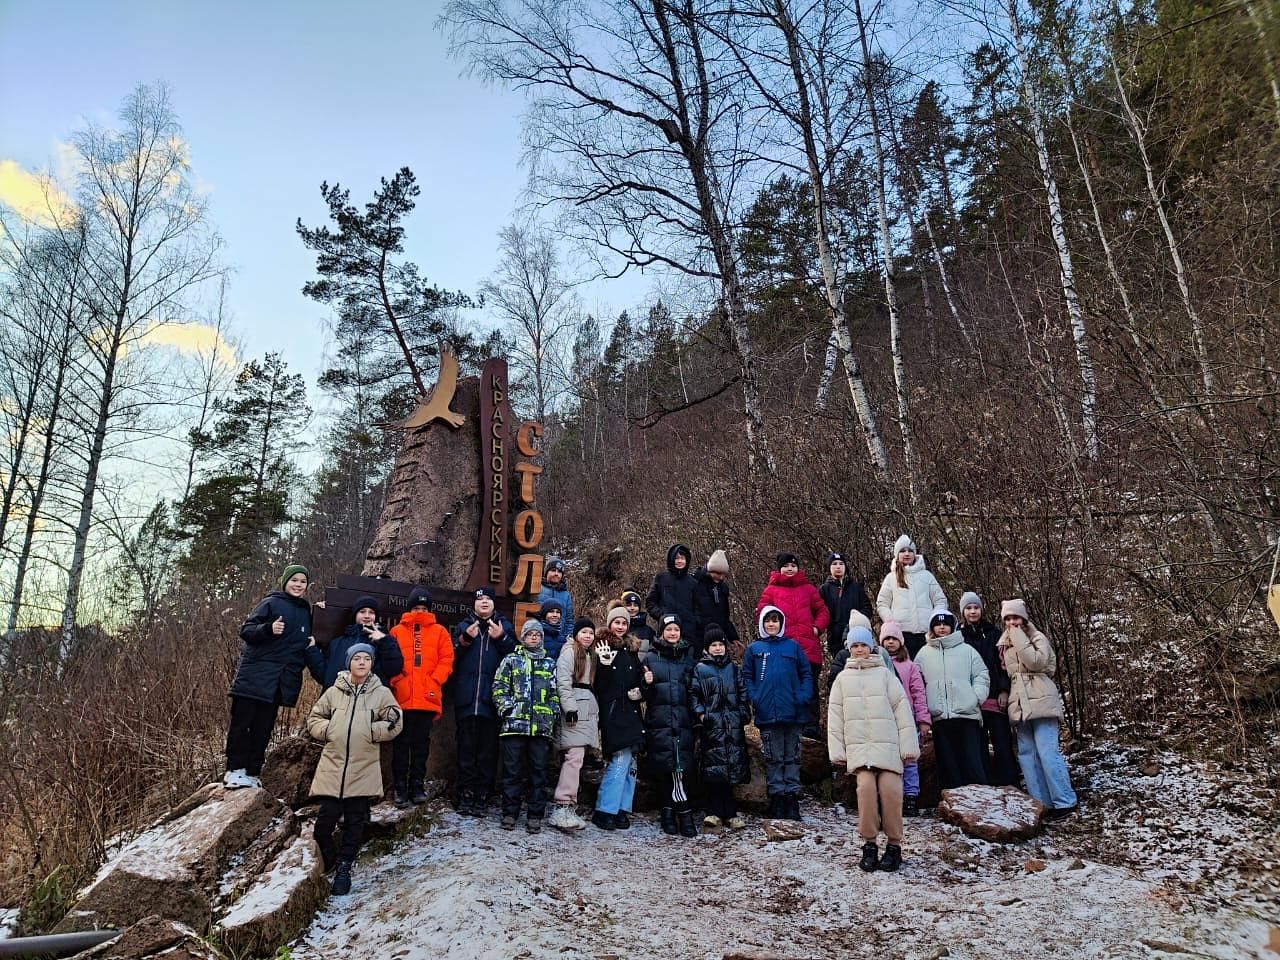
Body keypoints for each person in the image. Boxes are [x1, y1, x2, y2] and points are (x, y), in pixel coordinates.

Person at [307, 644, 401, 895]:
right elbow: (314, 718)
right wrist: (329, 730)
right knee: (323, 824)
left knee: (355, 822)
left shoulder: (381, 692)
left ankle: (345, 868)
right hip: (333, 766)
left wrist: (372, 731)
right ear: (348, 662)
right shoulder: (333, 692)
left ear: (372, 664)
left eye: (366, 658)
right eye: (356, 658)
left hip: (363, 768)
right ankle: (330, 860)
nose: (361, 662)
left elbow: (395, 720)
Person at [828, 626, 920, 872]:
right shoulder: (842, 680)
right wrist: (838, 752)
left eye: (863, 645)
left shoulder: (885, 675)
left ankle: (893, 845)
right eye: (855, 646)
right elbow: (835, 718)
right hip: (861, 751)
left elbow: (902, 711)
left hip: (888, 749)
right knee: (866, 790)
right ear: (849, 649)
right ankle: (869, 844)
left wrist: (909, 748)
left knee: (891, 791)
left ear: (871, 647)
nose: (859, 650)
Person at [225, 564, 314, 790]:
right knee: (242, 725)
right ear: (285, 581)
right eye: (294, 580)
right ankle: (235, 770)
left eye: (302, 581)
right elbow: (247, 630)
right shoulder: (271, 602)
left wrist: (323, 610)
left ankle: (253, 772)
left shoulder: (306, 612)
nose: (298, 585)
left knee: (263, 729)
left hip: (278, 683)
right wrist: (267, 629)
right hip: (253, 678)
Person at [998, 599, 1078, 819]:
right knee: (1027, 755)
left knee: (1047, 752)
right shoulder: (1002, 643)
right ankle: (1040, 803)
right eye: (1008, 618)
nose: (1012, 622)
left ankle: (1064, 800)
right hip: (1020, 703)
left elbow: (1036, 662)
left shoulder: (1037, 637)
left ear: (1024, 618)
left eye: (1015, 617)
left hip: (1041, 699)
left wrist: (1018, 637)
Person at [743, 605, 813, 821]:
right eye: (768, 621)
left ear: (781, 623)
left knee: (791, 757)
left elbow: (806, 673)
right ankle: (777, 798)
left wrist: (802, 696)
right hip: (768, 714)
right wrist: (756, 698)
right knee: (774, 758)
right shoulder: (755, 649)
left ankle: (792, 799)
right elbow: (747, 677)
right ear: (762, 624)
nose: (771, 624)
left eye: (775, 620)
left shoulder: (793, 647)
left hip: (793, 712)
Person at [451, 588, 516, 817]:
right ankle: (466, 793)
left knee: (487, 751)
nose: (484, 602)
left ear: (494, 604)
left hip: (492, 700)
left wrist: (502, 639)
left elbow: (514, 656)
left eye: (488, 598)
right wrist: (465, 639)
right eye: (480, 599)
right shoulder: (463, 625)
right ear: (474, 604)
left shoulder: (504, 626)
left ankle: (482, 795)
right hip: (467, 697)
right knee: (466, 749)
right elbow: (450, 657)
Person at [492, 620, 561, 833]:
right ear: (523, 637)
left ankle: (535, 815)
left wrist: (551, 713)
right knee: (512, 771)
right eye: (530, 634)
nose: (534, 637)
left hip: (540, 728)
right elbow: (499, 686)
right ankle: (510, 813)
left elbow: (555, 692)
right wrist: (506, 709)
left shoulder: (549, 663)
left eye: (538, 635)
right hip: (514, 725)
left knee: (538, 772)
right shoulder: (511, 660)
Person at [388, 587, 455, 808]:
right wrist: (398, 680)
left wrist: (434, 680)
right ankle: (399, 787)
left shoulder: (440, 631)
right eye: (416, 607)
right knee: (400, 744)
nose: (420, 611)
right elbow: (390, 658)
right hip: (402, 697)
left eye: (424, 607)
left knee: (421, 745)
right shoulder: (397, 631)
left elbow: (447, 659)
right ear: (409, 608)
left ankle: (416, 785)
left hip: (427, 696)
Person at [755, 552, 829, 738]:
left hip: (808, 649)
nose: (790, 569)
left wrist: (816, 628)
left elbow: (823, 611)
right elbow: (762, 613)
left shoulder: (809, 589)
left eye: (793, 566)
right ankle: (792, 727)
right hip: (783, 650)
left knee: (809, 689)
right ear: (779, 568)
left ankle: (811, 729)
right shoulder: (771, 590)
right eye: (786, 566)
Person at [914, 610, 989, 789]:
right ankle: (953, 805)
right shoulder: (923, 654)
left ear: (952, 626)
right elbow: (916, 683)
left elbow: (981, 675)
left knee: (972, 761)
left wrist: (976, 698)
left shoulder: (967, 650)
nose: (941, 627)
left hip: (966, 715)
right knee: (948, 764)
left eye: (945, 624)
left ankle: (981, 804)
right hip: (939, 717)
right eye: (937, 624)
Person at [643, 613, 698, 837]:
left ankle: (683, 814)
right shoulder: (650, 658)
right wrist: (645, 684)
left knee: (679, 769)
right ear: (661, 632)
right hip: (660, 720)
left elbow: (694, 689)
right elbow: (643, 693)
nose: (673, 633)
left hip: (683, 720)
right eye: (668, 630)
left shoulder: (688, 658)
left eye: (676, 629)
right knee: (665, 769)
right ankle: (669, 813)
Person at [690, 625, 750, 830]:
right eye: (713, 645)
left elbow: (743, 693)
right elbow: (694, 694)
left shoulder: (733, 669)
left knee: (731, 770)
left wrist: (743, 714)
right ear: (707, 648)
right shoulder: (700, 669)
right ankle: (713, 811)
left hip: (732, 725)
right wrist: (701, 714)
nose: (718, 648)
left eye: (720, 644)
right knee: (713, 770)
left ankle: (731, 812)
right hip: (712, 726)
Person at [592, 604, 645, 830]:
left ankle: (622, 808)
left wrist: (642, 689)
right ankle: (605, 808)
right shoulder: (602, 647)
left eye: (624, 623)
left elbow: (640, 678)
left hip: (632, 712)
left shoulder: (632, 652)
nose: (620, 626)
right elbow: (598, 685)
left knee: (631, 762)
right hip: (613, 712)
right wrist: (603, 665)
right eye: (617, 622)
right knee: (620, 759)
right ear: (609, 624)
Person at [959, 591, 1018, 787]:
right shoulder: (958, 638)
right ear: (963, 611)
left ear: (981, 610)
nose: (973, 611)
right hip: (973, 700)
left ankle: (1010, 784)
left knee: (1002, 743)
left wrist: (1003, 690)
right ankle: (985, 787)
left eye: (976, 607)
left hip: (994, 697)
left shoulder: (993, 634)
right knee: (978, 746)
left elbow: (1002, 665)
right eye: (968, 608)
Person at [549, 619, 600, 831]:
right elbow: (563, 681)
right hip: (575, 708)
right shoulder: (570, 652)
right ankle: (562, 805)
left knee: (579, 757)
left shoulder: (591, 654)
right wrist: (569, 708)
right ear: (577, 634)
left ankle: (570, 807)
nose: (588, 636)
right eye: (584, 632)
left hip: (587, 706)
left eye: (591, 632)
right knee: (574, 756)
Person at [879, 621, 931, 816]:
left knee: (909, 760)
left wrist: (923, 720)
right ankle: (893, 799)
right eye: (887, 639)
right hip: (885, 720)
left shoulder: (910, 666)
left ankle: (911, 797)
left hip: (908, 720)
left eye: (894, 639)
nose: (890, 642)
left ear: (901, 641)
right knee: (890, 762)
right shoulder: (877, 665)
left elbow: (919, 693)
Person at [875, 536, 948, 659]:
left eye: (910, 550)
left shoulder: (926, 576)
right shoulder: (891, 578)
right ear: (897, 555)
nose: (907, 554)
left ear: (915, 553)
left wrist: (933, 620)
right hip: (902, 635)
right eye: (902, 551)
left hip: (925, 634)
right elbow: (882, 603)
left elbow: (940, 600)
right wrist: (892, 622)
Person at [819, 551, 873, 659]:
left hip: (857, 638)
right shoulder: (824, 590)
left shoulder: (856, 587)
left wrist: (856, 621)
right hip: (835, 639)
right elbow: (819, 611)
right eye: (834, 564)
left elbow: (867, 608)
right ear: (829, 568)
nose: (838, 566)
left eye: (841, 563)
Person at [692, 549, 740, 659]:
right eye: (718, 573)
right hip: (698, 639)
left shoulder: (723, 589)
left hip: (718, 640)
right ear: (709, 570)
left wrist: (733, 638)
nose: (721, 577)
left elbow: (725, 618)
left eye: (723, 575)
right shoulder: (694, 584)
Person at [646, 543, 700, 640]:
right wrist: (662, 615)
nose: (679, 561)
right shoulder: (661, 578)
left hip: (688, 633)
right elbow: (650, 603)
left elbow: (698, 608)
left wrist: (693, 621)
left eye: (682, 558)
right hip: (666, 630)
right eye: (676, 558)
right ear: (671, 559)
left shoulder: (693, 583)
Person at [538, 557, 575, 630]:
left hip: (560, 638)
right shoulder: (537, 589)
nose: (556, 574)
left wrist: (568, 637)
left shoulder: (566, 594)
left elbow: (569, 620)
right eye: (553, 570)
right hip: (539, 636)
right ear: (546, 572)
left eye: (559, 572)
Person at [621, 590, 655, 659]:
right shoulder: (619, 628)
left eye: (635, 605)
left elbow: (653, 653)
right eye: (629, 605)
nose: (632, 608)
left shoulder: (648, 631)